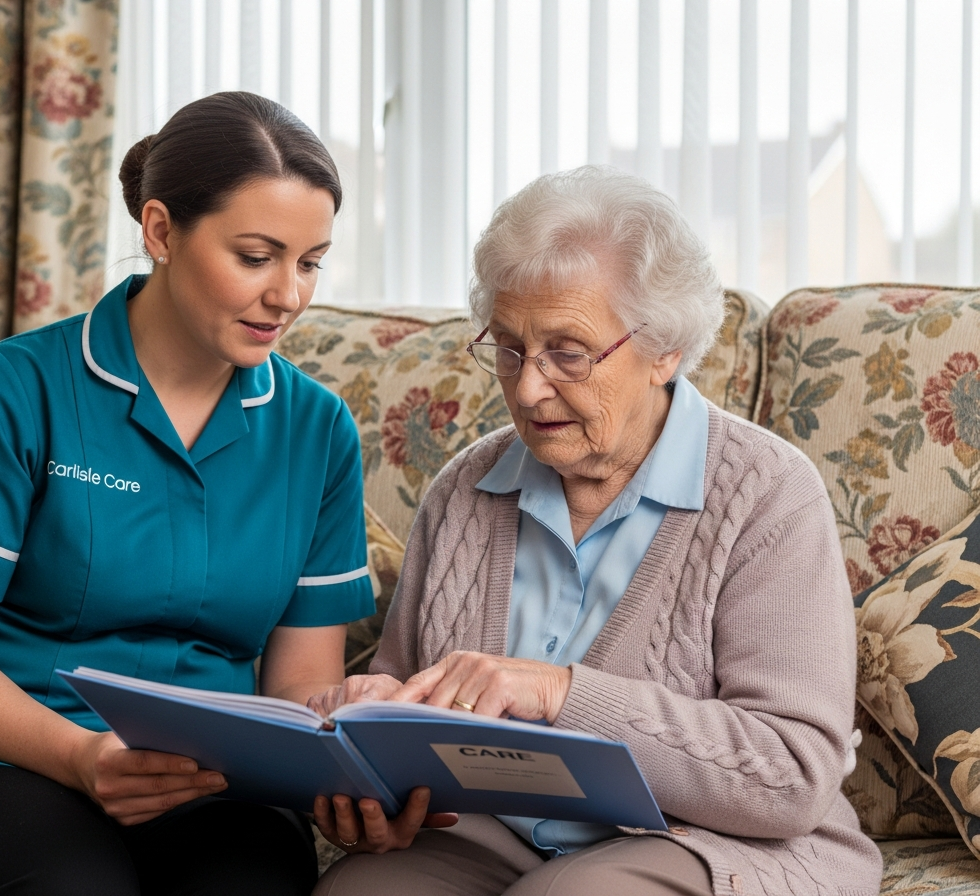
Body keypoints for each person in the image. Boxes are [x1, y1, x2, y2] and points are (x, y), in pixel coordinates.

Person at [0, 91, 375, 896]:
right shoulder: (13, 390)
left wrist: (348, 764)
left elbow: (298, 686)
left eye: (309, 262)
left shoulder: (318, 431)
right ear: (161, 231)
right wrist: (80, 756)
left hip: (210, 785)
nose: (290, 297)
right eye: (256, 256)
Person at [307, 167, 883, 896]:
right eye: (510, 348)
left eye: (567, 353)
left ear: (664, 349)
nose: (527, 388)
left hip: (706, 845)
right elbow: (404, 696)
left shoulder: (768, 495)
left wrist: (560, 694)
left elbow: (791, 774)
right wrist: (372, 772)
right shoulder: (464, 488)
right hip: (491, 832)